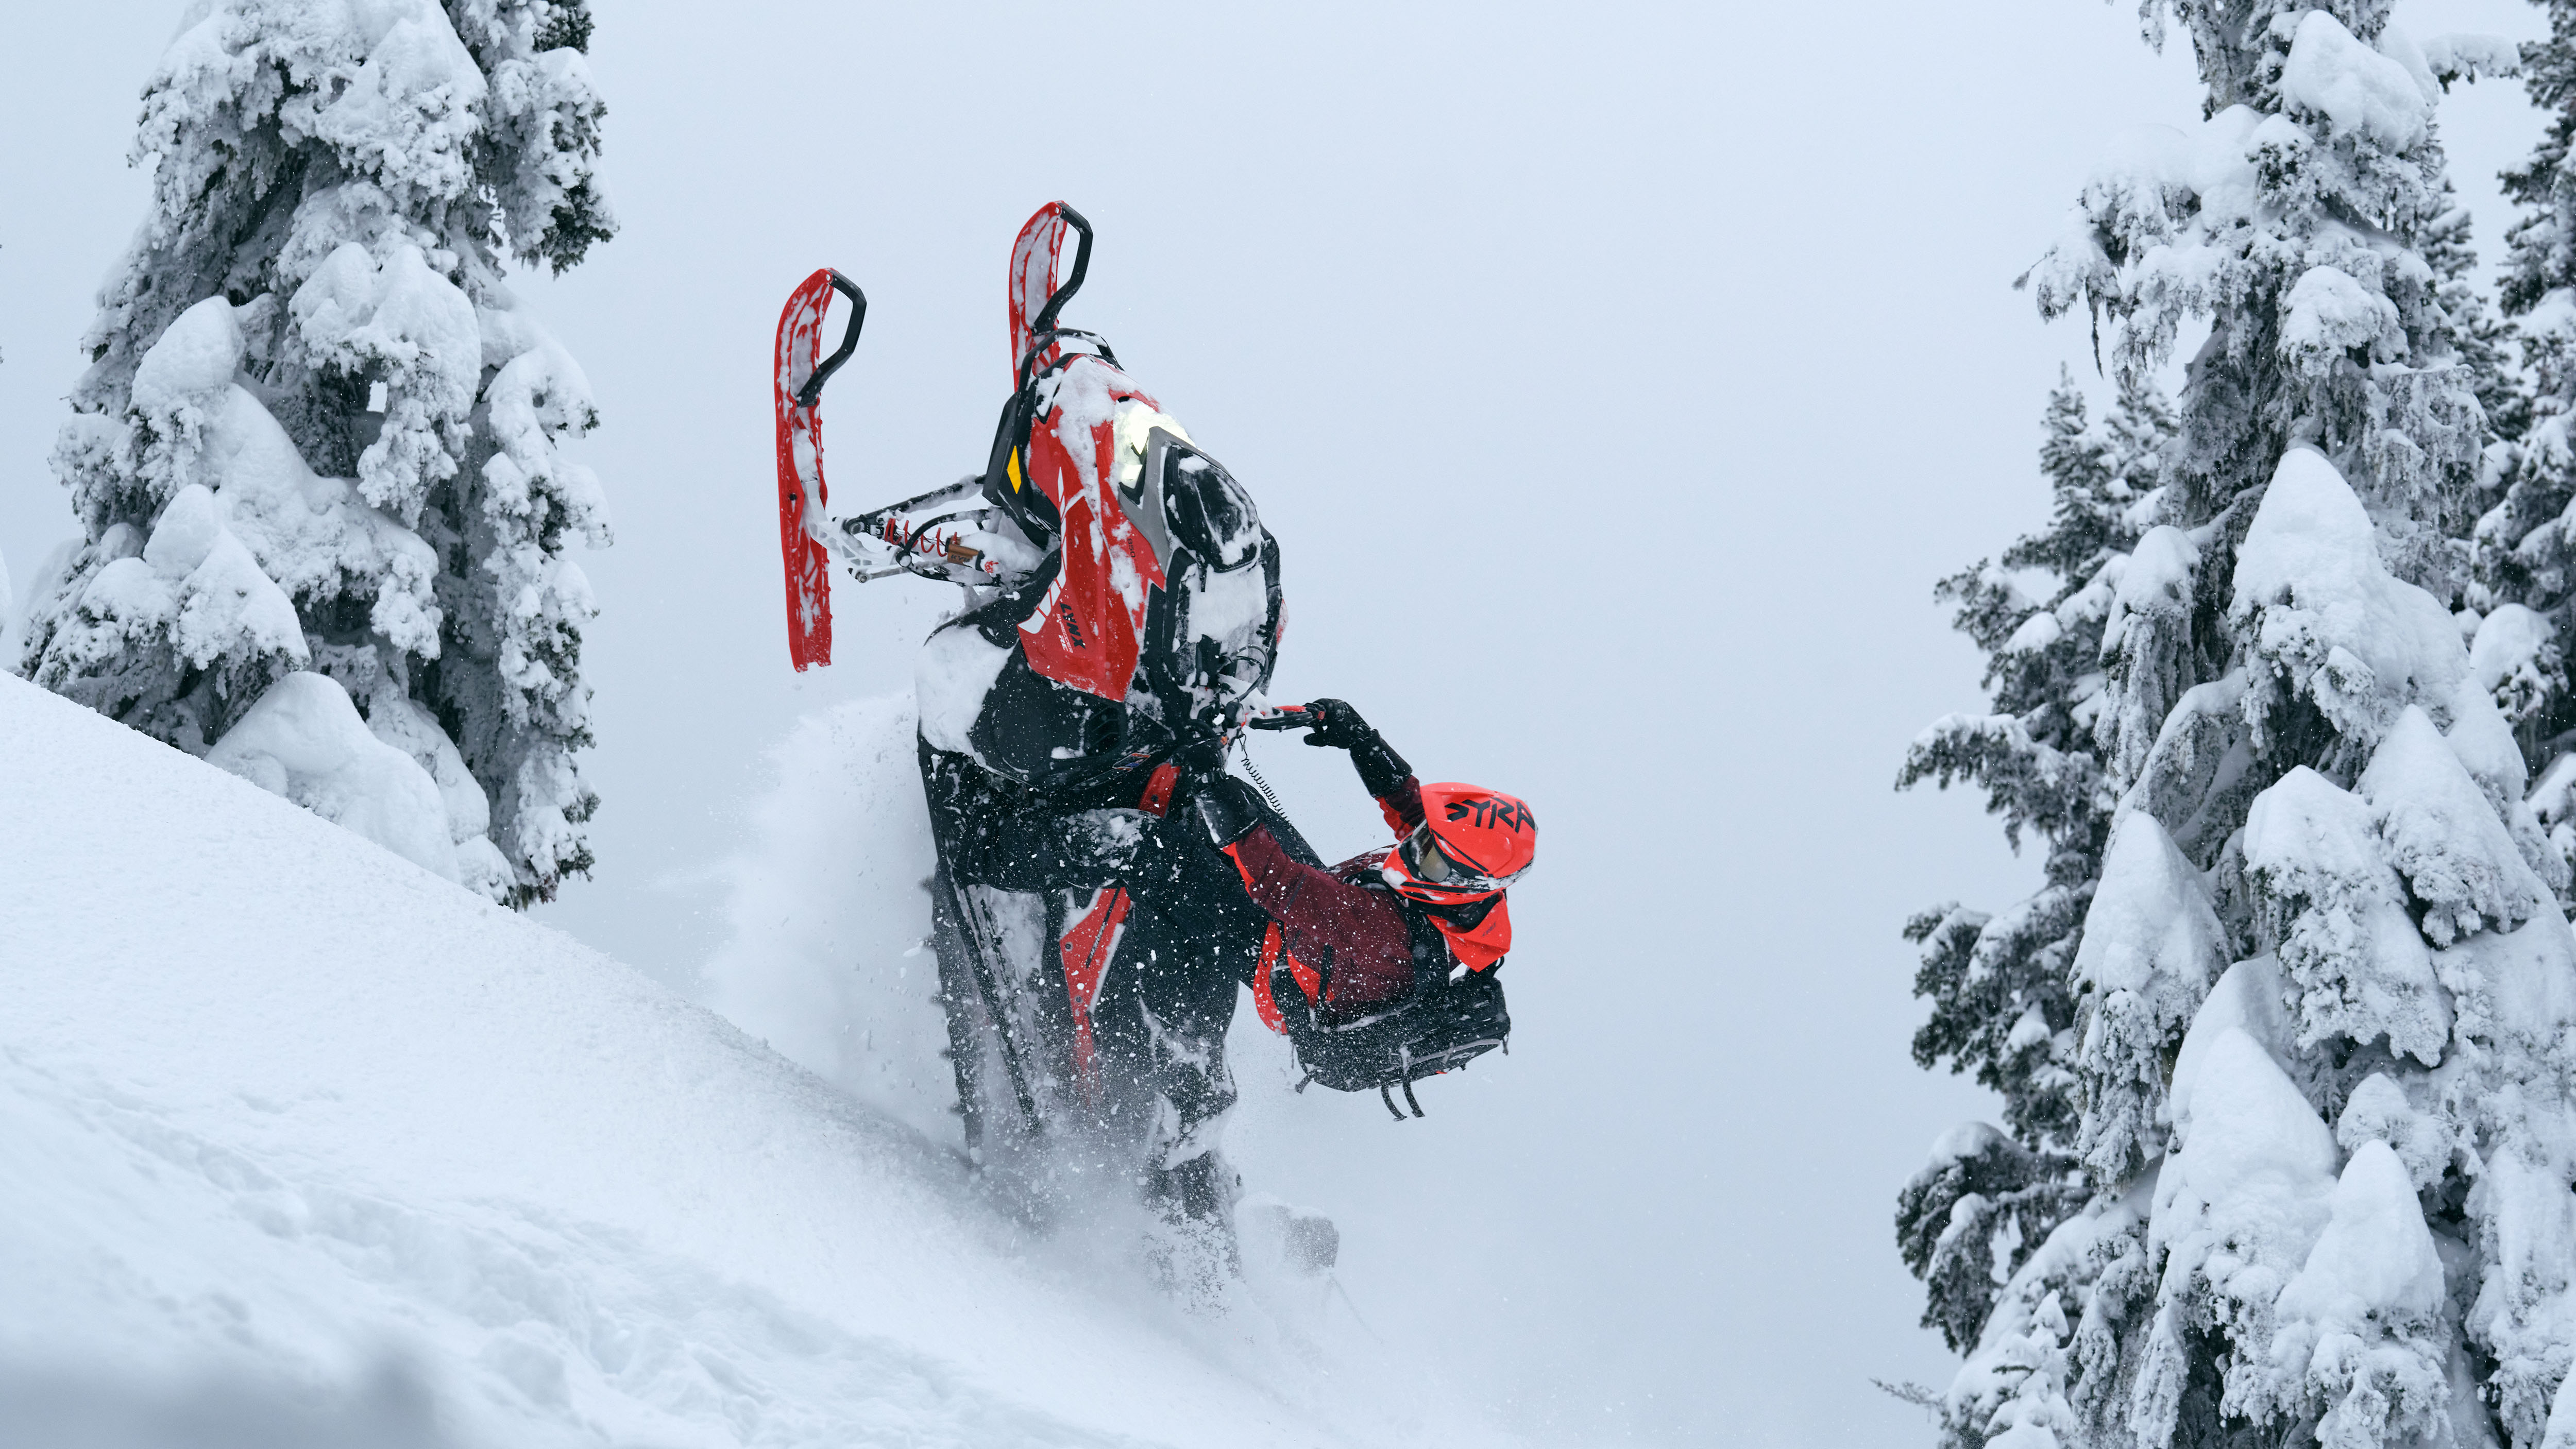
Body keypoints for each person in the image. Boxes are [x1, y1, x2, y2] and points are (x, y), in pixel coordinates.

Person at [1155, 698, 1534, 1101]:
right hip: (1323, 915)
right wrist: (1358, 736)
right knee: (1230, 802)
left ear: (1461, 885)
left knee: (1148, 848)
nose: (1412, 852)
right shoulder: (1468, 899)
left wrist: (1210, 781)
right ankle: (1184, 787)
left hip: (1275, 957)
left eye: (1432, 860)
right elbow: (1408, 807)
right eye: (1426, 841)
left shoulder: (1382, 928)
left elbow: (1276, 881)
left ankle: (1090, 843)